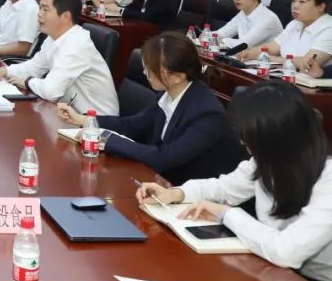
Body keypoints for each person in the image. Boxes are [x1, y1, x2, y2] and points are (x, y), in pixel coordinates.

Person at [137, 82, 332, 281]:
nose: (242, 141)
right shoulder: (267, 161)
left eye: (248, 134)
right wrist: (176, 193)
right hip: (276, 270)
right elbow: (223, 188)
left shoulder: (327, 179)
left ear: (275, 136)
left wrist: (228, 214)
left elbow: (287, 252)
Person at [58, 32, 245, 184]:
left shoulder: (207, 114)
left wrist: (106, 139)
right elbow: (133, 125)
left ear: (177, 76)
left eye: (150, 68)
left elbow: (164, 158)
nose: (144, 72)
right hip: (162, 183)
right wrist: (86, 120)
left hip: (193, 195)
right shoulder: (169, 94)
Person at [0, 0, 118, 115]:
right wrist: (4, 71)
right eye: (40, 8)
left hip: (95, 121)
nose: (39, 14)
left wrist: (27, 82)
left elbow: (51, 91)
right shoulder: (55, 37)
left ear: (66, 16)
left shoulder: (76, 44)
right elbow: (35, 66)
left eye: (45, 10)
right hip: (67, 112)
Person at [240, 0, 331, 77]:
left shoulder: (328, 28)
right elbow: (272, 47)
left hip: (309, 83)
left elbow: (306, 63)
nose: (295, 6)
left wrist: (266, 58)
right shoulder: (295, 24)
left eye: (302, 2)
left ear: (321, 7)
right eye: (294, 1)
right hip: (283, 76)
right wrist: (248, 53)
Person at [214, 0, 283, 52]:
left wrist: (220, 40)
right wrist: (206, 36)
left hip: (265, 59)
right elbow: (221, 33)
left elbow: (243, 45)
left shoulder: (268, 19)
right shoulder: (243, 13)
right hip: (244, 58)